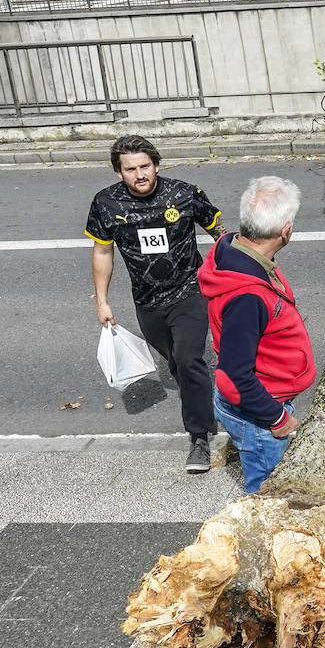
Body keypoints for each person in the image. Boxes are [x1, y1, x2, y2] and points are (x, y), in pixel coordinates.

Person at [86, 135, 224, 474]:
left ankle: (199, 437)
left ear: (156, 165)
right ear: (119, 173)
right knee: (177, 363)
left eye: (145, 166)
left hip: (190, 291)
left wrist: (249, 263)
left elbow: (219, 232)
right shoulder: (106, 203)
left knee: (190, 359)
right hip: (147, 301)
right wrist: (101, 301)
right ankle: (201, 399)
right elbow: (103, 252)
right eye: (130, 169)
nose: (139, 174)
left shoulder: (184, 193)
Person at [197, 176, 316, 494]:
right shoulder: (247, 297)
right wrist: (277, 419)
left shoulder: (238, 251)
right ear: (285, 230)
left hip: (262, 399)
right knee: (266, 494)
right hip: (261, 412)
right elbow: (233, 377)